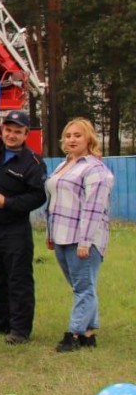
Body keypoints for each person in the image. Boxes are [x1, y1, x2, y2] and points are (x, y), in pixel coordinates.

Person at [0, 109, 47, 344]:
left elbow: (38, 197)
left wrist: (6, 203)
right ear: (1, 130)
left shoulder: (33, 162)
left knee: (18, 279)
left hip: (15, 229)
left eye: (18, 131)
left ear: (26, 134)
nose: (12, 135)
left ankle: (20, 329)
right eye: (8, 130)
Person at [45, 118, 115, 353]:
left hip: (83, 238)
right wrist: (50, 233)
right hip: (62, 235)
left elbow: (93, 207)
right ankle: (89, 333)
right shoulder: (63, 165)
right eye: (68, 135)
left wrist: (85, 242)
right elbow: (53, 201)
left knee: (83, 287)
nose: (72, 140)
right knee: (80, 286)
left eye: (78, 135)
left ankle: (73, 334)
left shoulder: (95, 168)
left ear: (89, 139)